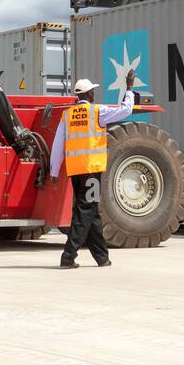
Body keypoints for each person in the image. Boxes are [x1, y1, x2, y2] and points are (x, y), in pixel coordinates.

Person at [48, 69, 137, 268]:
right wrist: (129, 88)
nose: (94, 94)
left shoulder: (67, 115)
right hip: (91, 170)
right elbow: (125, 110)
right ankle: (68, 256)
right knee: (85, 210)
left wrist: (54, 171)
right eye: (92, 92)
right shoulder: (97, 112)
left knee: (91, 211)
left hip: (75, 171)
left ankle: (102, 257)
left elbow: (57, 145)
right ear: (88, 95)